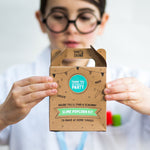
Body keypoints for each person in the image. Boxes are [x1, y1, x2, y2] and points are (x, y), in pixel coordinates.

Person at [0, 0, 150, 150]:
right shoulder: (11, 83)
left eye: (84, 17)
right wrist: (3, 116)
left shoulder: (140, 84)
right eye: (59, 17)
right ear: (41, 20)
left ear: (102, 23)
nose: (72, 29)